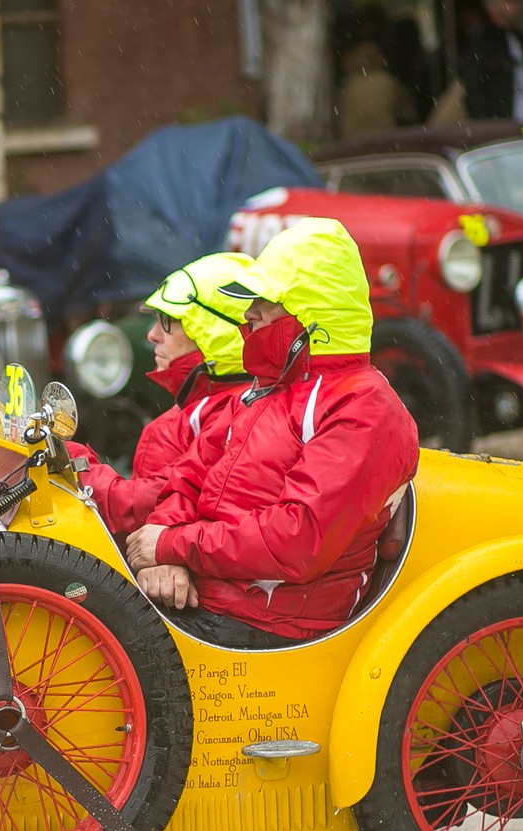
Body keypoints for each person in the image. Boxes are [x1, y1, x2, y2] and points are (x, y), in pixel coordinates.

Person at [119, 219, 421, 647]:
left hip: (269, 625)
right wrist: (163, 557)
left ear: (311, 313)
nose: (248, 314)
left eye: (264, 300)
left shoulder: (363, 406)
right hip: (209, 600)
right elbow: (187, 479)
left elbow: (298, 539)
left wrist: (172, 545)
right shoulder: (267, 387)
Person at [68, 252, 256, 537]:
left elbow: (143, 508)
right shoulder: (206, 406)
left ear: (213, 333)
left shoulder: (231, 415)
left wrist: (70, 461)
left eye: (168, 321)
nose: (153, 334)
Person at [460, 0, 523, 120]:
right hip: (499, 125)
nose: (518, 6)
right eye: (510, 2)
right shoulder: (480, 43)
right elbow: (474, 92)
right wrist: (489, 123)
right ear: (492, 7)